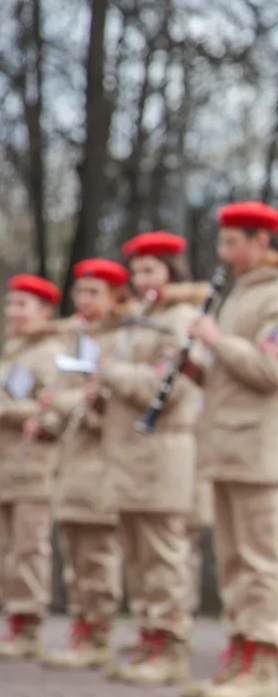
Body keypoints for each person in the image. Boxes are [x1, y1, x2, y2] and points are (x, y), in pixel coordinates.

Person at [181, 201, 278, 697]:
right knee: (233, 558)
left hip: (258, 447)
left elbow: (274, 371)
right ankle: (238, 653)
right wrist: (196, 368)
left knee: (261, 558)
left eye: (233, 242)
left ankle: (262, 663)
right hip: (228, 444)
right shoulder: (241, 294)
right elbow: (234, 375)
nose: (223, 252)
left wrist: (216, 341)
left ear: (262, 243)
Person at [103, 231, 204, 685]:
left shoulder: (181, 317)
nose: (142, 279)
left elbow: (170, 386)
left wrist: (112, 374)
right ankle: (149, 634)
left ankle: (170, 645)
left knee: (164, 554)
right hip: (130, 452)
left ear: (171, 271)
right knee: (138, 556)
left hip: (163, 452)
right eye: (137, 271)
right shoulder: (142, 318)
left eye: (151, 270)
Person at [41, 259, 132, 671]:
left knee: (97, 552)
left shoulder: (124, 337)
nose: (84, 301)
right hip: (72, 459)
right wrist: (74, 401)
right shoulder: (74, 338)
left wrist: (86, 401)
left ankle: (98, 631)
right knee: (74, 551)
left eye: (95, 292)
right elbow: (58, 396)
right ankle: (81, 623)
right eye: (80, 292)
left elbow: (115, 396)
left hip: (104, 459)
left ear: (115, 297)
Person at [0, 274, 66, 659]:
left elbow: (53, 407)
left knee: (28, 548)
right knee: (7, 548)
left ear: (44, 310)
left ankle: (28, 625)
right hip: (7, 465)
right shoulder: (13, 350)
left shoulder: (49, 352)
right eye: (11, 304)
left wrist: (9, 411)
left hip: (34, 466)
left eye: (22, 305)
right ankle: (13, 619)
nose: (14, 312)